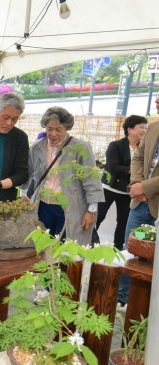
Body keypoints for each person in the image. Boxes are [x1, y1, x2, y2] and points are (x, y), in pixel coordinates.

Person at [21, 107, 104, 245]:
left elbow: (92, 180)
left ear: (67, 128)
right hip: (42, 206)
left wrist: (92, 211)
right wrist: (23, 193)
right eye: (49, 129)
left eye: (58, 129)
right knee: (42, 244)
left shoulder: (80, 147)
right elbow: (27, 171)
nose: (53, 133)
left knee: (68, 245)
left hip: (70, 207)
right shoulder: (36, 147)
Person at [119, 98, 159, 306]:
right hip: (141, 207)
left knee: (155, 257)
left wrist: (145, 187)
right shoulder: (153, 127)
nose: (156, 100)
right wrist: (137, 184)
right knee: (133, 248)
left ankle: (148, 305)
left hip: (156, 209)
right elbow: (138, 158)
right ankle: (123, 298)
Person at [96, 115, 147, 251]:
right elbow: (112, 167)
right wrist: (134, 170)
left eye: (145, 128)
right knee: (98, 217)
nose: (144, 130)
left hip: (128, 192)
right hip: (109, 189)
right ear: (129, 129)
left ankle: (118, 250)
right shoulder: (116, 145)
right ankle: (89, 243)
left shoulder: (144, 148)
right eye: (141, 127)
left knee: (124, 222)